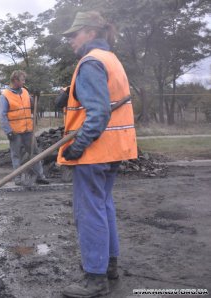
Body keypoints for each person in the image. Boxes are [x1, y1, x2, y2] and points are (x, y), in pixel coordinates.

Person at [56, 11, 138, 298]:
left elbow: (99, 112)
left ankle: (95, 279)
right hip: (114, 150)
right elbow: (105, 98)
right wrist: (69, 92)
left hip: (93, 152)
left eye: (73, 35)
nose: (69, 41)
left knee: (89, 213)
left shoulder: (90, 62)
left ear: (90, 33)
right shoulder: (110, 59)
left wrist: (77, 147)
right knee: (104, 207)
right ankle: (109, 267)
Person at [0, 70, 49, 186]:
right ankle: (17, 178)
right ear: (15, 80)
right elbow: (2, 115)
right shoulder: (5, 95)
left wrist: (37, 97)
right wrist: (8, 131)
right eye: (22, 80)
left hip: (28, 130)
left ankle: (40, 176)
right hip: (15, 131)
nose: (24, 82)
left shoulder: (25, 92)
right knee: (16, 155)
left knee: (35, 153)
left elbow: (32, 105)